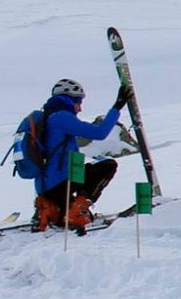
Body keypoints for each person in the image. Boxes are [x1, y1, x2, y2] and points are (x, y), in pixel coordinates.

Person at [29, 78, 129, 233]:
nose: (80, 108)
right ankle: (77, 211)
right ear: (70, 99)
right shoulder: (61, 117)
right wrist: (117, 106)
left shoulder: (47, 117)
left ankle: (49, 209)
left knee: (64, 214)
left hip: (45, 185)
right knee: (107, 166)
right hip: (62, 181)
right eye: (79, 102)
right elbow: (100, 133)